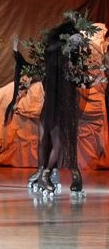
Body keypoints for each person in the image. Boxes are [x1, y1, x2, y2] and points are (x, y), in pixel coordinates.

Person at [6, 11, 103, 199]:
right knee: (51, 142)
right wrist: (16, 53)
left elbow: (79, 79)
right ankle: (44, 174)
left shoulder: (68, 63)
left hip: (64, 107)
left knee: (64, 143)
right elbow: (29, 67)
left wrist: (92, 81)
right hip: (54, 107)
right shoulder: (53, 60)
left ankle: (63, 176)